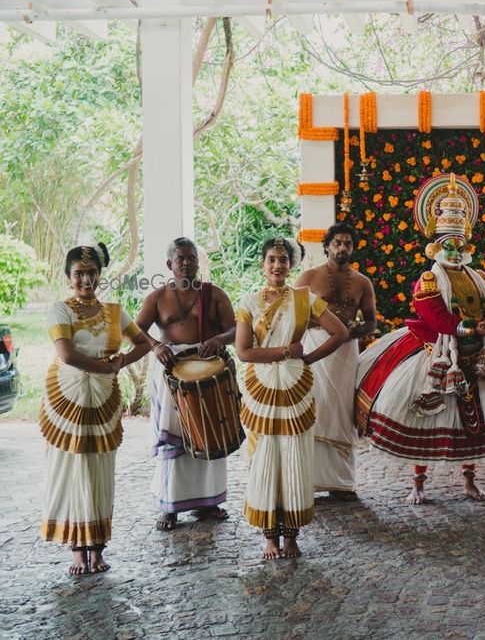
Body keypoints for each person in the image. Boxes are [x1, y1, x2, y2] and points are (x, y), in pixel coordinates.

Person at [355, 174, 485, 504]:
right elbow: (436, 318)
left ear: (467, 247)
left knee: (472, 423)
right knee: (427, 420)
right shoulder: (429, 279)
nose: (454, 252)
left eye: (460, 246)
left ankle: (469, 481)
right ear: (435, 248)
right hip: (439, 353)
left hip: (475, 356)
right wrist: (474, 328)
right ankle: (418, 483)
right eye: (448, 246)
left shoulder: (479, 277)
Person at [39, 244, 151, 574]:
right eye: (79, 274)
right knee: (72, 465)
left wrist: (122, 361)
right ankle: (77, 549)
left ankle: (98, 548)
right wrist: (106, 367)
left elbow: (143, 342)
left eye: (91, 273)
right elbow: (67, 355)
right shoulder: (60, 310)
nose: (86, 280)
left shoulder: (115, 312)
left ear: (100, 275)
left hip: (103, 397)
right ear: (68, 276)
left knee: (101, 466)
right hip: (67, 396)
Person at [235, 237, 349, 559]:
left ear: (291, 265)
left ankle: (291, 536)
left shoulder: (304, 299)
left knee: (294, 456)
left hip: (296, 386)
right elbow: (244, 352)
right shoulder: (248, 303)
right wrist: (287, 352)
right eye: (271, 259)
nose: (277, 265)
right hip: (261, 388)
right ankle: (270, 536)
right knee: (265, 455)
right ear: (262, 264)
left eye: (283, 260)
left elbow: (340, 332)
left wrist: (308, 358)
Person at [135, 237, 236, 531]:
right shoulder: (157, 297)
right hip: (172, 370)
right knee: (175, 438)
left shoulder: (214, 294)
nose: (187, 263)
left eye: (192, 257)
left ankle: (208, 501)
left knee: (209, 432)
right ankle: (169, 506)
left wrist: (219, 339)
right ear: (170, 264)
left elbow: (235, 329)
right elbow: (135, 329)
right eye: (181, 258)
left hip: (208, 368)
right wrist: (156, 346)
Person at [295, 223, 376, 501]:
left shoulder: (362, 282)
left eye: (347, 243)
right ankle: (307, 482)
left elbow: (371, 322)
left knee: (342, 412)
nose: (342, 248)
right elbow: (292, 316)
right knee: (314, 408)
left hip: (346, 352)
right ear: (327, 246)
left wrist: (352, 332)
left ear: (353, 248)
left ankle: (341, 484)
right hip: (315, 347)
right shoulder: (308, 277)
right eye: (337, 243)